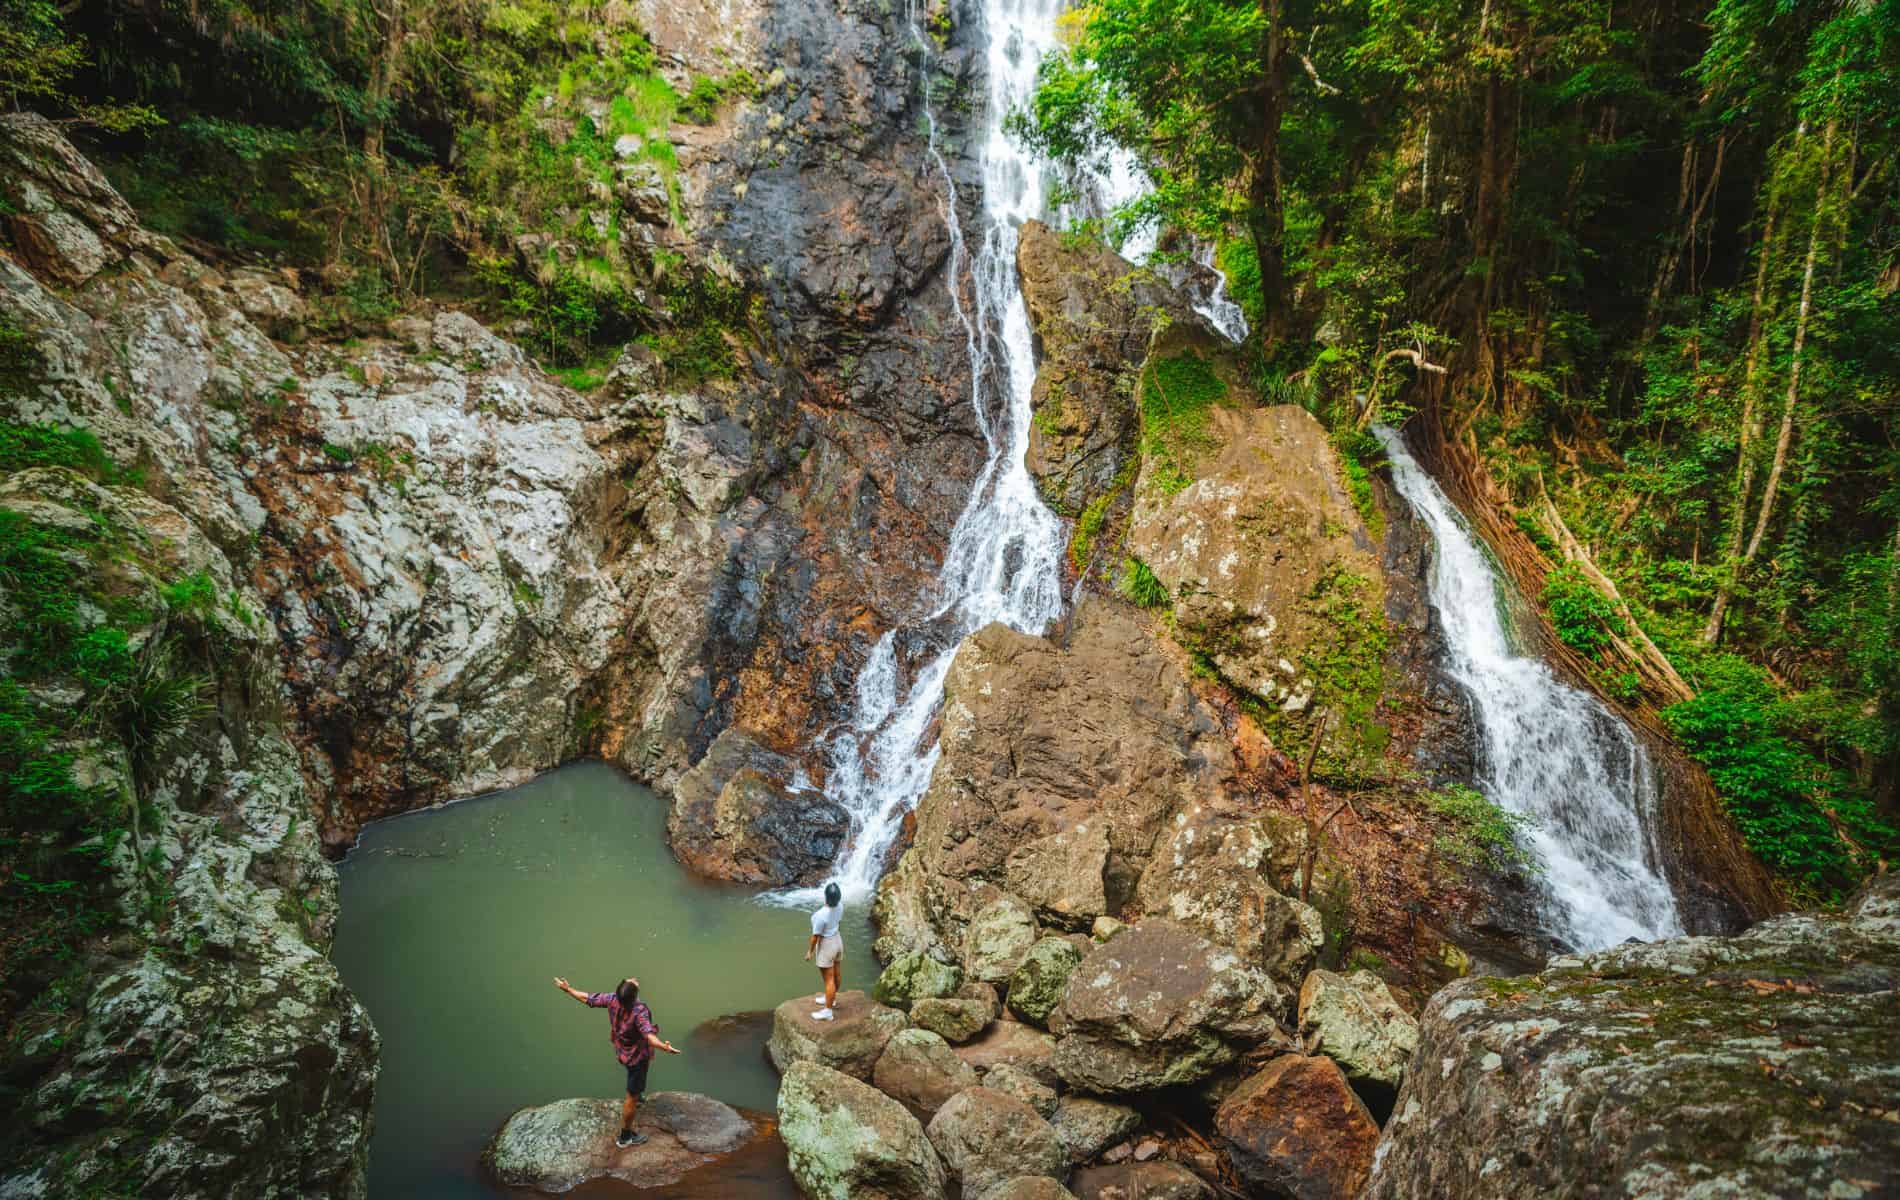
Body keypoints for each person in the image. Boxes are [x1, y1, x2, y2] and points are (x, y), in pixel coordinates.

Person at [554, 975, 680, 1146]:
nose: (634, 979)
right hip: (636, 1055)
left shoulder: (612, 999)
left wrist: (568, 989)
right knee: (631, 1095)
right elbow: (649, 1036)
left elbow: (588, 998)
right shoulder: (639, 1011)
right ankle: (625, 1136)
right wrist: (664, 1047)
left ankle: (639, 1094)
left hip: (623, 1048)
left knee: (640, 1072)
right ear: (634, 997)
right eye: (632, 982)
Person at [805, 881, 845, 1021]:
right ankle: (831, 998)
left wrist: (809, 951)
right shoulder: (840, 906)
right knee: (837, 974)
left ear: (826, 897)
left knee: (828, 980)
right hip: (838, 941)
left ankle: (828, 1011)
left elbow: (815, 936)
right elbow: (839, 923)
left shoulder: (820, 915)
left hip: (827, 945)